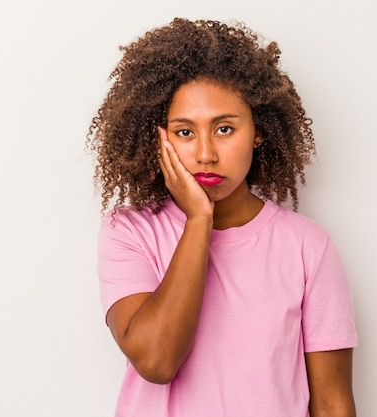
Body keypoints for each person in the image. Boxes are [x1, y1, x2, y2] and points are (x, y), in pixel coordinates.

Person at [87, 17, 358, 417]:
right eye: (184, 132)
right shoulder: (130, 232)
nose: (205, 154)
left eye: (225, 129)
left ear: (258, 131)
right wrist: (199, 219)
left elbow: (333, 403)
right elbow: (157, 361)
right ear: (158, 137)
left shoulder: (307, 246)